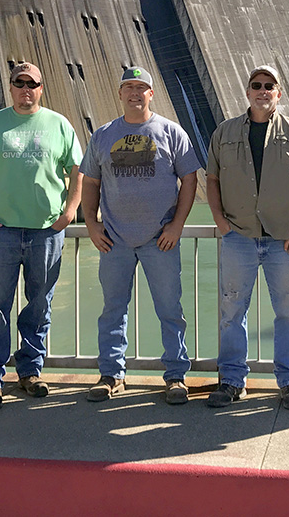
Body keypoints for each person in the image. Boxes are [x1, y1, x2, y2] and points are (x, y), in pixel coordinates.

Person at [0, 62, 83, 411]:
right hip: (1, 230)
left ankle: (30, 371)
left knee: (39, 304)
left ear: (42, 88)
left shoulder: (58, 124)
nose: (26, 89)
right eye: (20, 82)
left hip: (45, 230)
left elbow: (78, 169)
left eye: (33, 83)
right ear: (11, 87)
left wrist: (70, 210)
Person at [81, 66, 200, 405]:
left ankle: (176, 376)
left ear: (151, 94)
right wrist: (91, 222)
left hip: (159, 239)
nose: (135, 93)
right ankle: (111, 375)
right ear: (120, 94)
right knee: (112, 310)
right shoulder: (103, 135)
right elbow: (90, 181)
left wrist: (177, 224)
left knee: (170, 309)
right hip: (114, 239)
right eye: (128, 87)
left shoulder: (171, 132)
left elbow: (190, 179)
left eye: (141, 87)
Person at [205, 65, 289, 409]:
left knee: (288, 313)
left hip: (284, 239)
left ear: (279, 93)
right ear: (247, 91)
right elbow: (210, 179)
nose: (263, 90)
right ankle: (231, 380)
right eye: (257, 85)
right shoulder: (223, 133)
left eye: (269, 86)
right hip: (238, 236)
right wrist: (221, 223)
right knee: (231, 312)